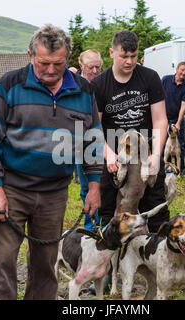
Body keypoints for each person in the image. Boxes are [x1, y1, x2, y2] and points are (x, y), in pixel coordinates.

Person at [0, 24, 103, 300]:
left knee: (46, 264)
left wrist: (94, 185)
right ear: (30, 55)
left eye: (58, 64)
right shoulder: (9, 85)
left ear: (68, 58)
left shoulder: (84, 91)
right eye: (43, 63)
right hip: (11, 189)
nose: (50, 70)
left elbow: (92, 142)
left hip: (55, 193)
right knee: (2, 263)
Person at [91, 30, 170, 233]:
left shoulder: (150, 78)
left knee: (155, 210)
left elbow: (160, 119)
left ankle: (155, 254)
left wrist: (156, 155)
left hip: (146, 152)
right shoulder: (99, 84)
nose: (129, 61)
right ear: (111, 52)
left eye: (133, 56)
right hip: (112, 152)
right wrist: (108, 155)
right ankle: (111, 257)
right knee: (108, 211)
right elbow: (94, 125)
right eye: (124, 56)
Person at [76, 49, 103, 231]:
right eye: (90, 67)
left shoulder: (103, 83)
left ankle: (103, 224)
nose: (94, 71)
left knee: (101, 185)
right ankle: (90, 227)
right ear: (81, 66)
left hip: (102, 138)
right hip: (80, 138)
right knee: (86, 186)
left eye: (98, 67)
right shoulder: (74, 85)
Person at [161, 61, 185, 176]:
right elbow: (159, 97)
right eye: (182, 70)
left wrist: (178, 123)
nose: (183, 73)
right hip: (165, 118)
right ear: (177, 69)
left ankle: (181, 170)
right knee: (164, 145)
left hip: (178, 119)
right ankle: (164, 170)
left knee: (180, 146)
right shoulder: (165, 80)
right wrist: (161, 117)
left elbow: (183, 107)